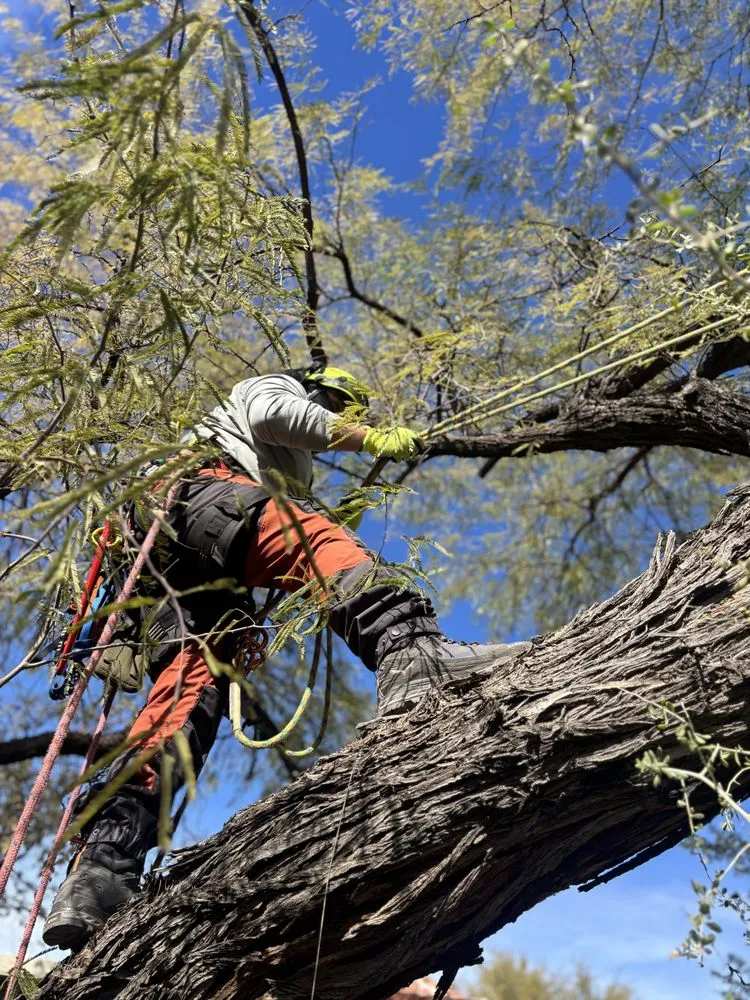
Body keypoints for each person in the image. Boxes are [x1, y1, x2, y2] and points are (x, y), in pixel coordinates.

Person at [42, 366, 529, 951]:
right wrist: (367, 436)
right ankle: (413, 656)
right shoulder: (271, 387)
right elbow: (279, 418)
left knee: (187, 698)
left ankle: (103, 866)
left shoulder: (264, 461)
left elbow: (268, 489)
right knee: (318, 542)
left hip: (175, 561)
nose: (343, 413)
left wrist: (302, 500)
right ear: (321, 391)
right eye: (339, 404)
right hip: (201, 499)